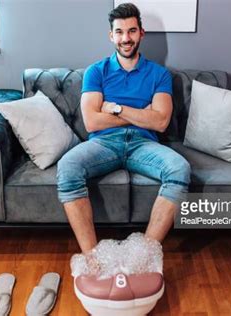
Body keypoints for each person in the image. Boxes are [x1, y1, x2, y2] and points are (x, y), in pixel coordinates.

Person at [57, 3, 191, 258]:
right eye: (119, 32)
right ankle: (92, 258)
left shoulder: (159, 75)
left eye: (131, 31)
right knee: (68, 167)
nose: (125, 38)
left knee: (179, 169)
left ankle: (144, 253)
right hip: (104, 144)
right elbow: (92, 123)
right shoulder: (96, 71)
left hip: (144, 145)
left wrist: (116, 109)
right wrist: (143, 114)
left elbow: (161, 123)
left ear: (142, 33)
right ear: (111, 36)